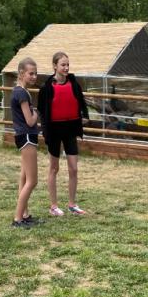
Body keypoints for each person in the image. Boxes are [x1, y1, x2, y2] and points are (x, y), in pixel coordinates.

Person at [37, 51, 89, 216]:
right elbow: (42, 112)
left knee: (73, 168)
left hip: (70, 130)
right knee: (54, 168)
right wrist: (46, 132)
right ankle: (53, 206)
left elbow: (81, 103)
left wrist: (84, 116)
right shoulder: (46, 88)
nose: (66, 68)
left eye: (67, 65)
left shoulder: (74, 84)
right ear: (55, 66)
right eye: (63, 65)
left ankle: (72, 205)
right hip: (54, 131)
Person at [10, 57, 40, 228]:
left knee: (24, 177)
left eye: (35, 73)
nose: (34, 77)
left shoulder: (20, 91)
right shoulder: (22, 93)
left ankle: (24, 214)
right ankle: (18, 218)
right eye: (31, 73)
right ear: (21, 73)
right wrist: (36, 114)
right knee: (32, 181)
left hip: (23, 136)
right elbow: (29, 121)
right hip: (27, 136)